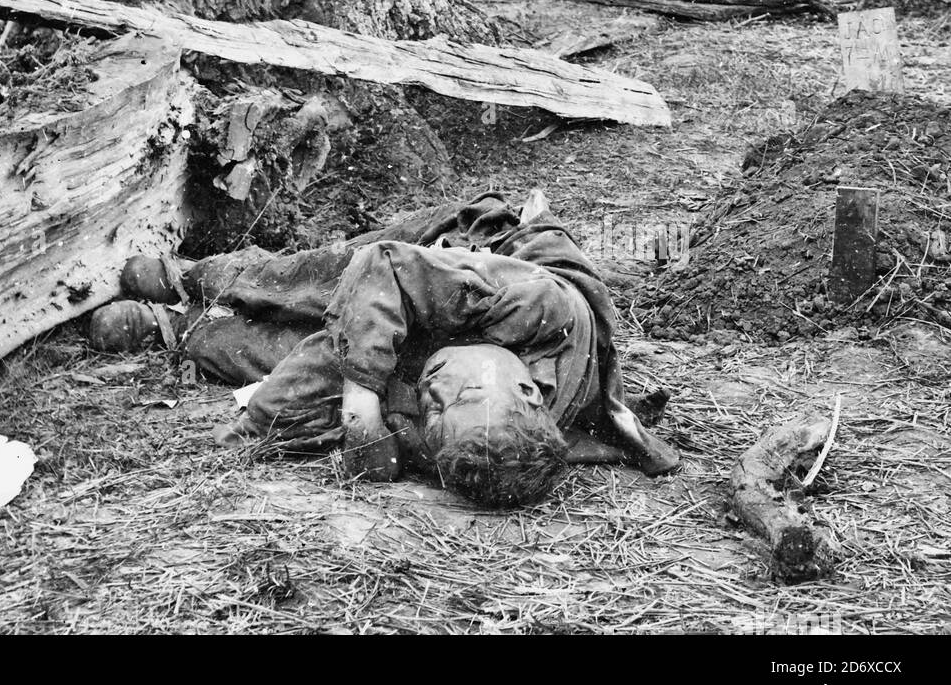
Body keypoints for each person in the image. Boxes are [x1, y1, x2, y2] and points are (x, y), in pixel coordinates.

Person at [171, 192, 680, 507]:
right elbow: (387, 266)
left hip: (448, 338)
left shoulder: (481, 429)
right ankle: (190, 274)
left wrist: (367, 436)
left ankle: (175, 325)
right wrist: (364, 392)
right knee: (299, 284)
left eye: (430, 412)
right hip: (463, 252)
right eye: (448, 399)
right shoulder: (537, 306)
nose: (430, 393)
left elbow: (391, 425)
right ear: (526, 390)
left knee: (263, 356)